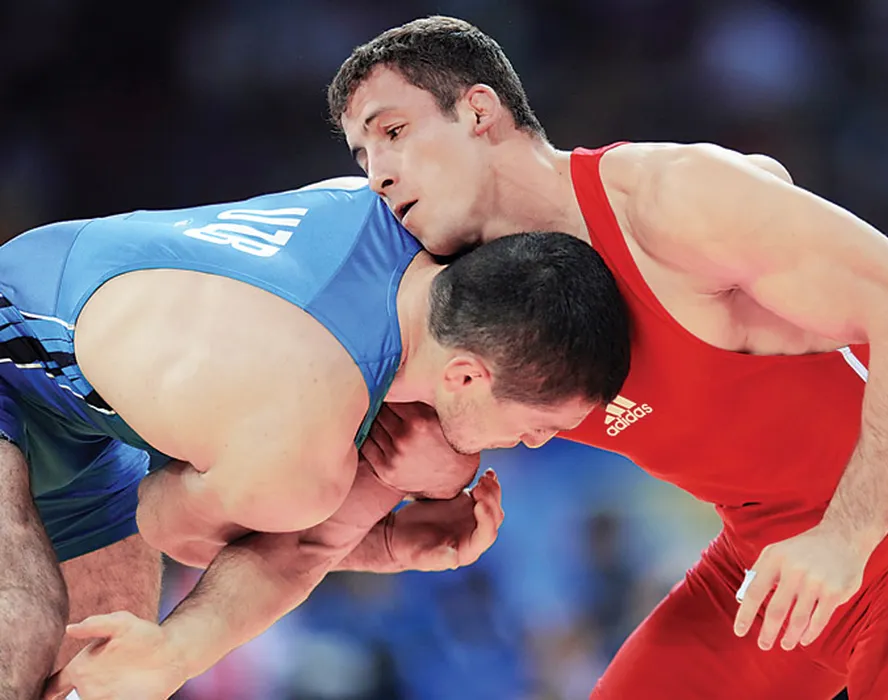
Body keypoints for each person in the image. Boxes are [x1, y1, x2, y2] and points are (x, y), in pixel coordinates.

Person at [326, 16, 888, 699]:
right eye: (361, 156)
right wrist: (383, 548)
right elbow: (303, 518)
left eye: (394, 133)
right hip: (760, 575)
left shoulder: (673, 202)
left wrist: (846, 537)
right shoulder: (446, 306)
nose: (378, 175)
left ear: (479, 111)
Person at [0, 177, 630, 700]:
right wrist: (377, 538)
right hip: (17, 340)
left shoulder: (410, 216)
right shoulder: (303, 431)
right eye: (541, 424)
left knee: (100, 677)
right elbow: (163, 522)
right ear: (466, 375)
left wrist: (385, 524)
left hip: (83, 391)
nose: (536, 443)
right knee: (21, 626)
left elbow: (297, 535)